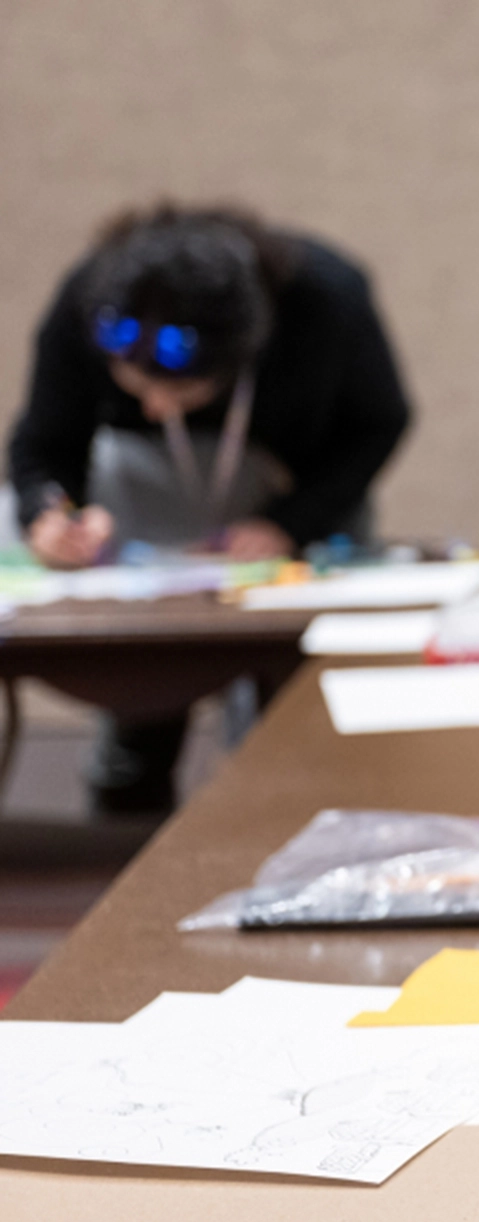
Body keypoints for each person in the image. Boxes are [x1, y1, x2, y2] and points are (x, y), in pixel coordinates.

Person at [7, 203, 412, 813]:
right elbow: (43, 444)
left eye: (178, 391)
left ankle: (281, 805)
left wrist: (288, 523)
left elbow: (379, 422)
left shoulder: (326, 298)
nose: (155, 409)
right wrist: (52, 515)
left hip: (290, 498)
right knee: (145, 673)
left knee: (289, 694)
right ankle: (129, 783)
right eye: (135, 388)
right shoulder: (92, 298)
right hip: (148, 506)